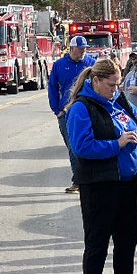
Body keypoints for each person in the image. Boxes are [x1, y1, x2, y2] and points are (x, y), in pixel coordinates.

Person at [66, 57, 137, 274]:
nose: (115, 90)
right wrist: (116, 144)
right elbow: (82, 147)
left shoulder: (121, 102)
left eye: (118, 84)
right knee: (97, 243)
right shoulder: (81, 108)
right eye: (110, 85)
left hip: (127, 183)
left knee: (127, 241)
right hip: (99, 186)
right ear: (95, 81)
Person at [48, 34, 96, 192]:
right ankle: (78, 181)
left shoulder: (91, 63)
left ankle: (88, 180)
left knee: (88, 144)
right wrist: (57, 110)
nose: (83, 52)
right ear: (72, 48)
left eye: (84, 49)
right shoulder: (60, 65)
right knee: (72, 147)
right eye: (80, 49)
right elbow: (53, 88)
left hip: (87, 110)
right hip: (66, 113)